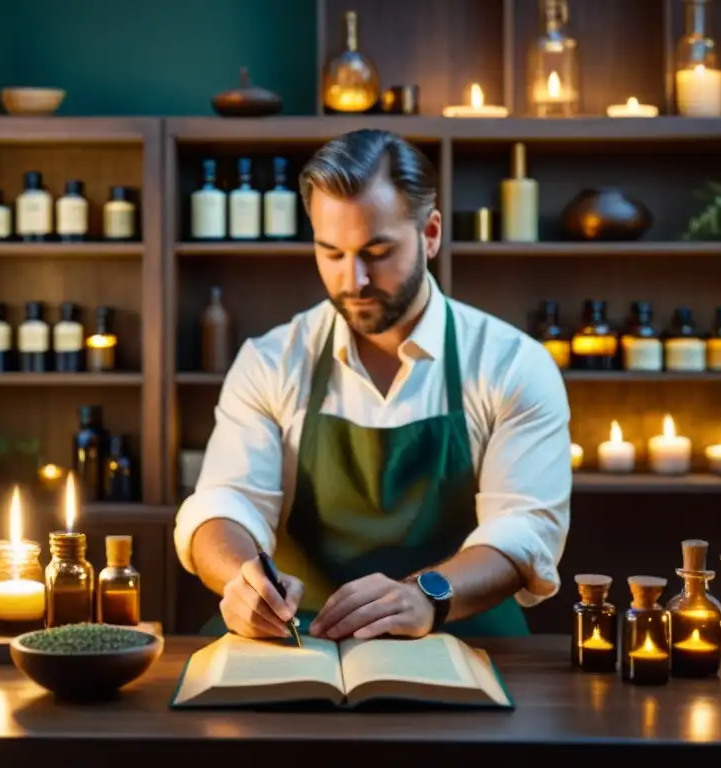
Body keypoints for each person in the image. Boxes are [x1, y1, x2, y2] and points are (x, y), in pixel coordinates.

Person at [174, 129, 571, 641]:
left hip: (462, 633)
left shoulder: (513, 364)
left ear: (430, 234)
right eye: (331, 253)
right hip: (301, 637)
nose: (353, 280)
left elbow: (525, 528)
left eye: (377, 251)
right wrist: (241, 580)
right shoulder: (271, 361)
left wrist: (426, 595)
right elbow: (225, 502)